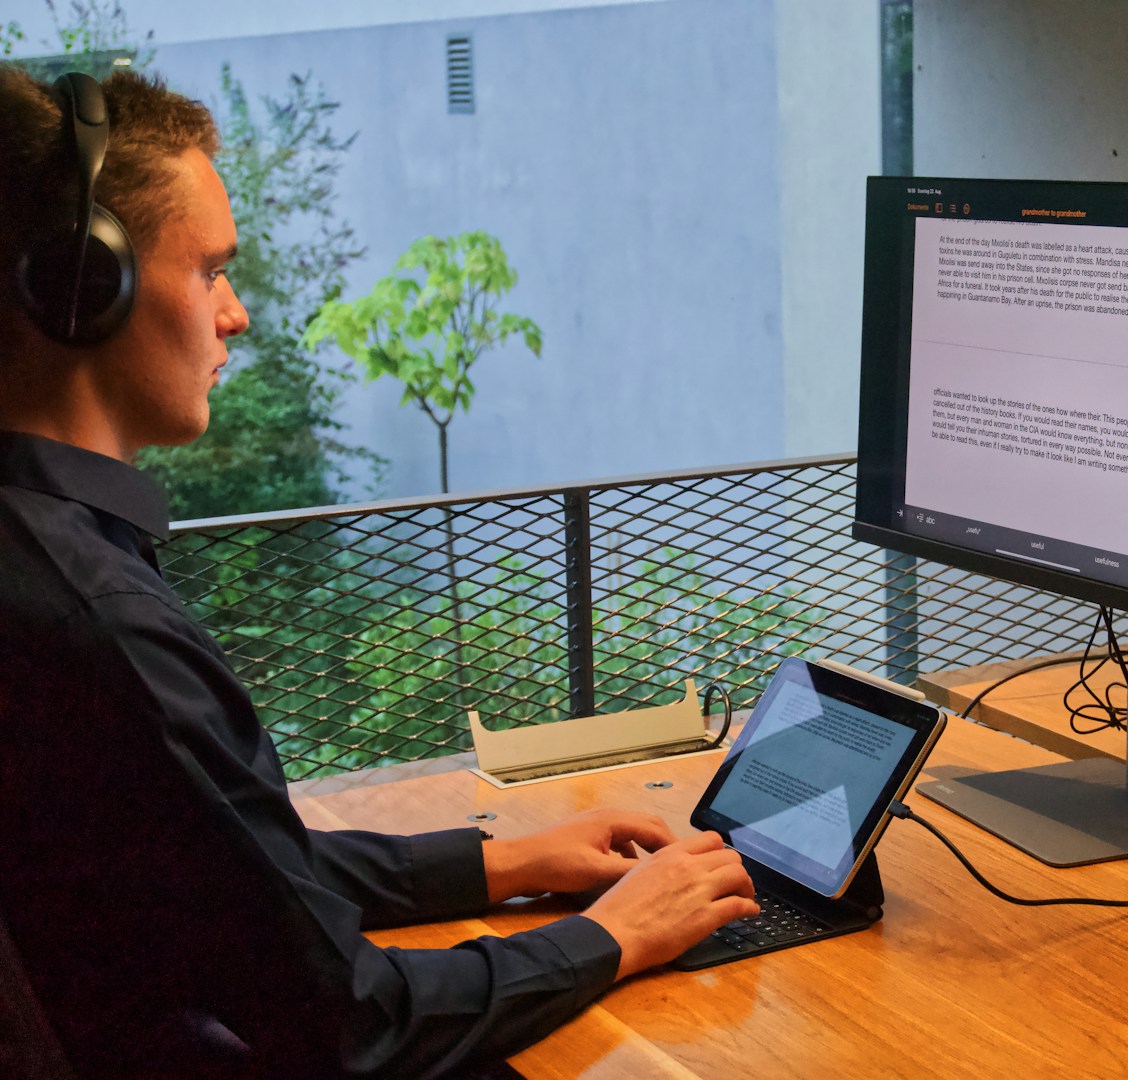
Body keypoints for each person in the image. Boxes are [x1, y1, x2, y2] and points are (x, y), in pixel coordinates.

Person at [0, 67, 757, 1079]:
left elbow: (233, 872)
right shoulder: (98, 622)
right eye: (209, 271)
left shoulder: (38, 556)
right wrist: (614, 937)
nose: (237, 314)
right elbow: (347, 1019)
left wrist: (505, 862)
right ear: (85, 290)